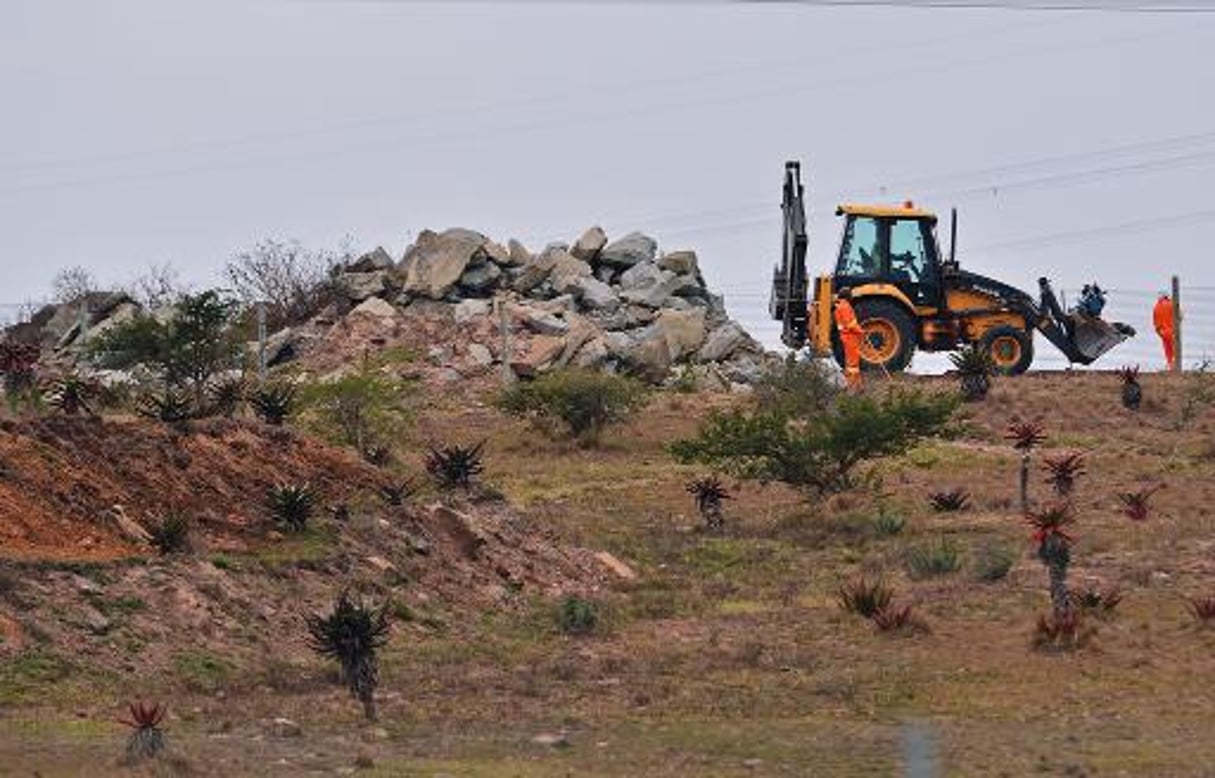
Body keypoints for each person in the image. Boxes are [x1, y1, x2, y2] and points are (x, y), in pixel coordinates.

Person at [834, 287, 865, 390]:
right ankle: (851, 386)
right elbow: (851, 324)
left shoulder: (839, 306)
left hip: (845, 336)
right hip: (850, 337)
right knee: (853, 364)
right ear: (848, 296)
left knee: (850, 363)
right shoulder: (845, 307)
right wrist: (861, 331)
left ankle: (856, 385)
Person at [1153, 292, 1175, 370]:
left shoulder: (1156, 306)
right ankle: (1175, 367)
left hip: (1163, 331)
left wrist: (1159, 333)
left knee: (1167, 350)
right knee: (1175, 350)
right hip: (1172, 330)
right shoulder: (1172, 304)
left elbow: (1155, 323)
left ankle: (1170, 365)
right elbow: (1180, 316)